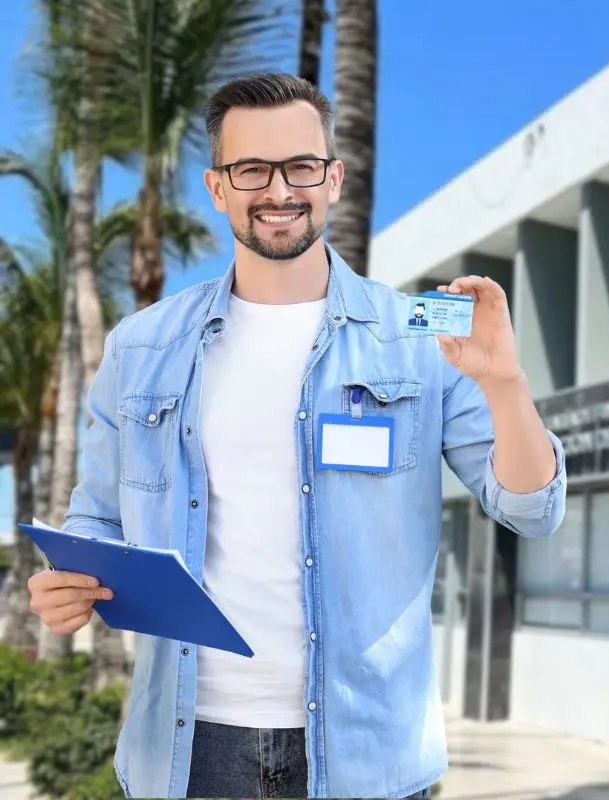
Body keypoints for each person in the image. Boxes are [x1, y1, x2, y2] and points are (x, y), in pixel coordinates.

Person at [25, 72, 566, 799]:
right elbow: (95, 519)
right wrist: (68, 587)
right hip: (188, 752)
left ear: (333, 177)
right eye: (251, 169)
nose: (278, 190)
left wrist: (505, 384)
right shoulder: (141, 345)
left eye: (301, 167)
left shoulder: (417, 331)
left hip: (369, 757)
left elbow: (533, 509)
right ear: (218, 188)